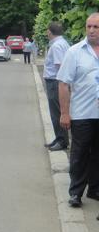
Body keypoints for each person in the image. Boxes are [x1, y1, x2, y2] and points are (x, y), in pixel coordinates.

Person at [57, 13, 99, 208]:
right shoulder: (75, 52)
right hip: (82, 113)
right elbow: (64, 84)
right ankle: (75, 192)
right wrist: (65, 113)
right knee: (80, 154)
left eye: (96, 27)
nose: (91, 30)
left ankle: (95, 188)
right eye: (89, 26)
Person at [44, 22, 71, 151]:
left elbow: (60, 66)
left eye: (47, 31)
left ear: (50, 32)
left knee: (56, 112)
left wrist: (62, 84)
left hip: (55, 82)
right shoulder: (62, 43)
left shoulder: (57, 46)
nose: (46, 33)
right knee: (57, 111)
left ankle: (62, 141)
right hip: (57, 82)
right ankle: (59, 137)